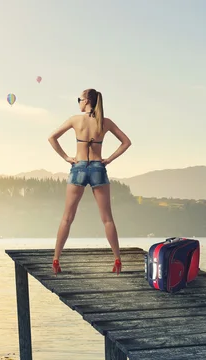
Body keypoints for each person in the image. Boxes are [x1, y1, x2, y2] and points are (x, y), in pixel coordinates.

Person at [47, 88, 132, 275]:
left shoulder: (75, 120)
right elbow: (126, 142)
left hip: (78, 168)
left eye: (79, 99)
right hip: (97, 168)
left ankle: (56, 260)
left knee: (67, 218)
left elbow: (51, 138)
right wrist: (108, 159)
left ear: (86, 101)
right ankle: (117, 260)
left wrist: (66, 157)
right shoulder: (105, 122)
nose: (78, 102)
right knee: (107, 219)